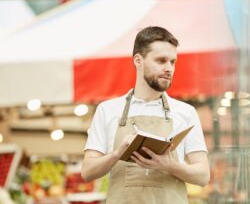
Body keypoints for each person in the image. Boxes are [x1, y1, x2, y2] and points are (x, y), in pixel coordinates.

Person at [81, 26, 210, 203]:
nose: (169, 68)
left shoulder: (185, 112)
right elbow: (87, 171)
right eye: (161, 61)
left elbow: (203, 175)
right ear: (138, 60)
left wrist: (168, 165)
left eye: (172, 62)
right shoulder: (107, 110)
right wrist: (117, 154)